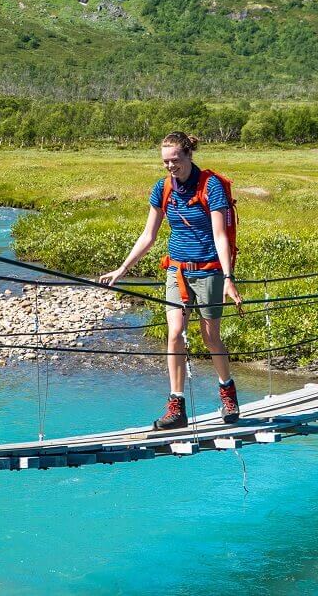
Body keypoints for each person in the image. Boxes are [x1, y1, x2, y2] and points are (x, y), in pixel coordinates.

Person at [98, 132, 244, 429]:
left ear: (189, 155)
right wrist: (122, 269)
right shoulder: (162, 188)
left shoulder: (210, 186)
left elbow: (220, 236)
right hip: (176, 270)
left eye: (175, 160)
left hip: (209, 269)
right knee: (174, 333)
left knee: (209, 336)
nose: (170, 166)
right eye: (165, 161)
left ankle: (228, 394)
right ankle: (176, 406)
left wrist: (228, 278)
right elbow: (148, 236)